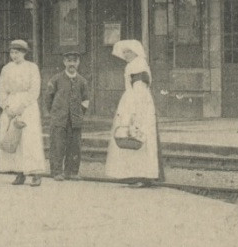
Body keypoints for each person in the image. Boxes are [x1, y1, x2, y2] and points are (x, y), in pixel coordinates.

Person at [105, 39, 162, 186]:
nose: (125, 55)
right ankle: (133, 173)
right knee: (131, 136)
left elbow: (139, 88)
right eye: (124, 53)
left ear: (135, 52)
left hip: (138, 102)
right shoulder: (134, 64)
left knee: (137, 134)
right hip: (132, 100)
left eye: (128, 52)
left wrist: (134, 112)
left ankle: (142, 175)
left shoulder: (138, 64)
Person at [0, 39, 48, 186]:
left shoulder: (32, 68)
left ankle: (35, 172)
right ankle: (20, 172)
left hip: (27, 106)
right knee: (14, 139)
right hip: (11, 104)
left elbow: (34, 90)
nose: (14, 55)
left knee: (29, 139)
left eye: (17, 52)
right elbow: (1, 89)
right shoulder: (6, 69)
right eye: (12, 52)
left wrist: (22, 106)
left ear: (24, 53)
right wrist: (6, 107)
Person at [42, 50, 91, 181]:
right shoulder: (56, 79)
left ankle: (72, 172)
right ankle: (57, 172)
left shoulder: (82, 81)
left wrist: (79, 113)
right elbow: (48, 98)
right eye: (69, 61)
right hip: (59, 119)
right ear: (64, 62)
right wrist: (55, 112)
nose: (72, 64)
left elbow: (86, 100)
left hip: (75, 120)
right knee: (57, 145)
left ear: (78, 63)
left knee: (74, 146)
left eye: (74, 61)